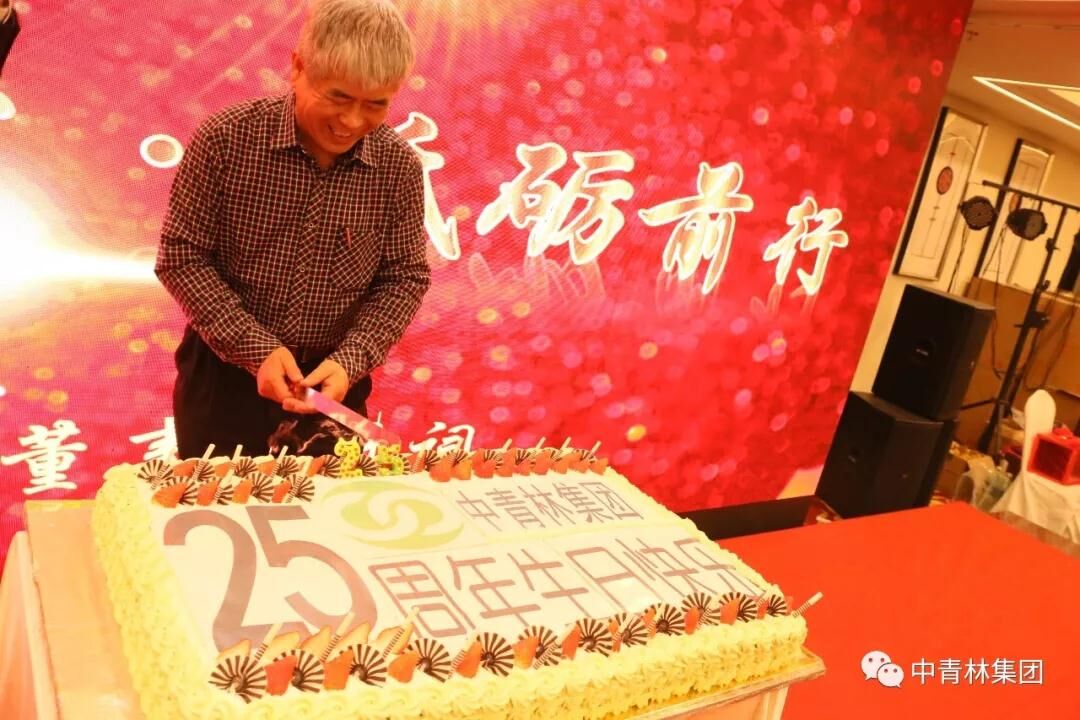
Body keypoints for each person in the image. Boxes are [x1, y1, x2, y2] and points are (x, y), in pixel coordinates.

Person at [156, 0, 429, 458]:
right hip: (223, 379)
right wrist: (254, 348)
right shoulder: (226, 139)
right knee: (217, 501)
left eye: (375, 104)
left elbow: (404, 278)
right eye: (338, 97)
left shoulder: (397, 167)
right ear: (298, 67)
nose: (352, 121)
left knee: (332, 503)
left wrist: (352, 359)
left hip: (334, 384)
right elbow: (182, 255)